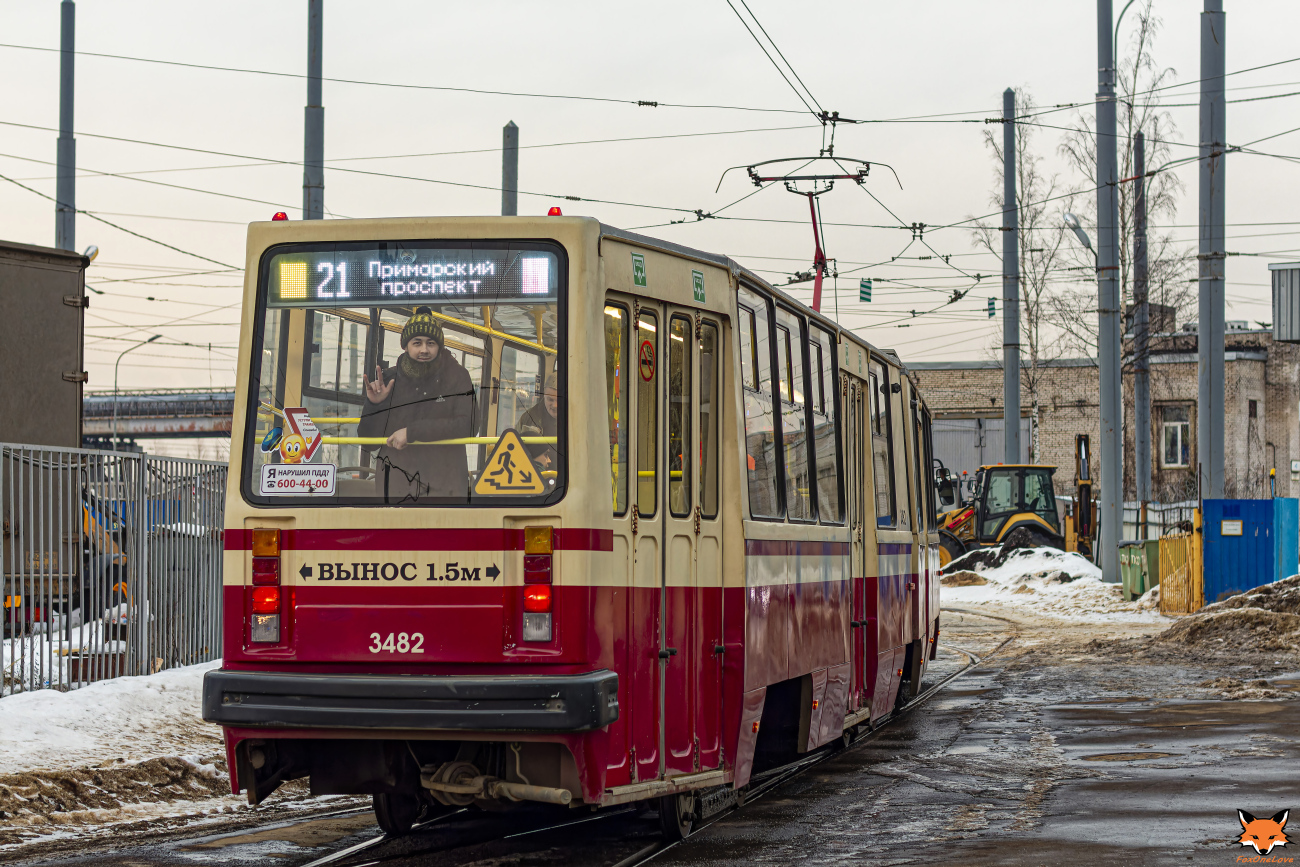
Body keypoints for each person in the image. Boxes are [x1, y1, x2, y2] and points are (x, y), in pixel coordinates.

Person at [359, 307, 474, 501]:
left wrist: (412, 433)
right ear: (406, 346)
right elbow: (367, 441)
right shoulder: (389, 379)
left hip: (445, 487)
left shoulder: (458, 377)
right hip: (395, 487)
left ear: (439, 346)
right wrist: (375, 405)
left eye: (431, 343)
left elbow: (468, 426)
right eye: (417, 343)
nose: (424, 350)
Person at [517, 372, 559, 470]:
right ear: (544, 395)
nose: (555, 405)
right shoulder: (529, 417)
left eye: (559, 400)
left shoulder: (577, 420)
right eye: (550, 400)